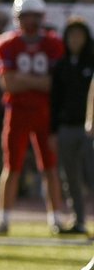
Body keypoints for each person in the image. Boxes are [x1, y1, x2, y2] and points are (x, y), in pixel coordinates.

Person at [0, 0, 66, 236]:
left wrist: (24, 80)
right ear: (17, 18)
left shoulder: (53, 43)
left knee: (50, 166)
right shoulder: (6, 43)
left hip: (45, 112)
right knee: (11, 166)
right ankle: (3, 219)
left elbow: (55, 85)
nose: (31, 22)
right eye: (26, 16)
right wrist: (38, 82)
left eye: (35, 16)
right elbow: (8, 84)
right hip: (17, 111)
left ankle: (55, 218)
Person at [51, 18, 94, 235]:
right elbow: (54, 100)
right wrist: (53, 130)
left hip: (90, 130)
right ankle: (79, 220)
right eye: (71, 36)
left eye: (79, 35)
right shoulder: (61, 66)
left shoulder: (91, 63)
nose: (75, 40)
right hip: (67, 127)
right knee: (71, 178)